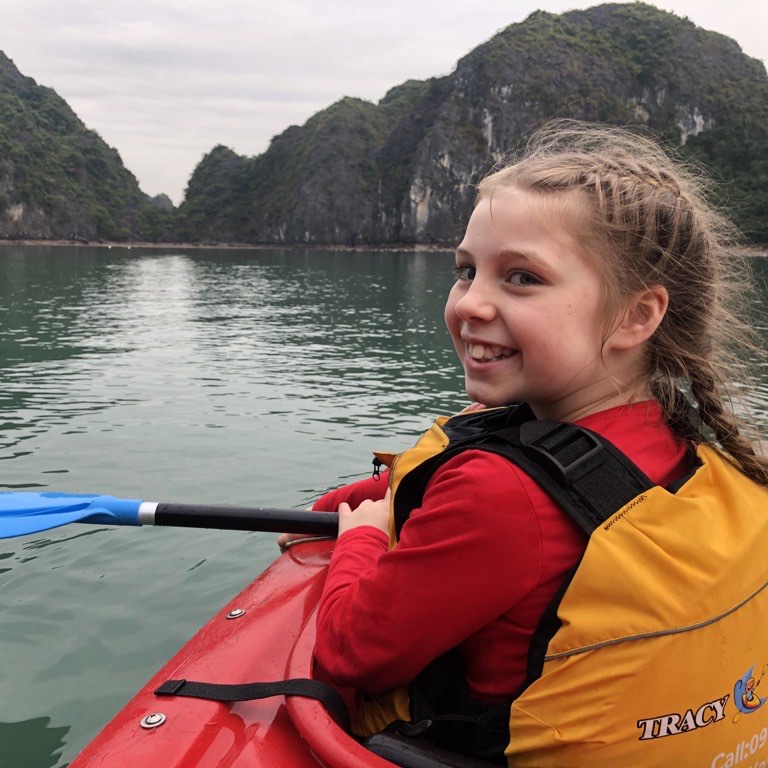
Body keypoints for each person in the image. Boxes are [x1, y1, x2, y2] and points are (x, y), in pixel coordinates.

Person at [281, 120, 768, 764]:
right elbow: (541, 482)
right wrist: (368, 496)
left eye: (522, 278)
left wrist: (362, 539)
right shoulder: (699, 446)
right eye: (465, 271)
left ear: (636, 315)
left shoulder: (500, 496)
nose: (468, 304)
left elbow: (350, 651)